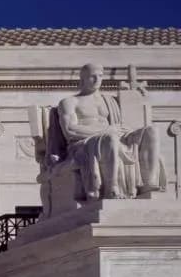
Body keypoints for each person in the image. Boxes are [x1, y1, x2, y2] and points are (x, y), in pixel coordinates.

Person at [57, 63, 168, 199]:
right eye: (92, 76)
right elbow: (70, 130)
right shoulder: (70, 102)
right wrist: (106, 130)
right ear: (83, 79)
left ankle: (148, 184)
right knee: (111, 139)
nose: (97, 80)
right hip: (84, 143)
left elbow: (126, 120)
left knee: (151, 131)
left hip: (114, 136)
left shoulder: (109, 100)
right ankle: (111, 188)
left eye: (100, 76)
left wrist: (139, 99)